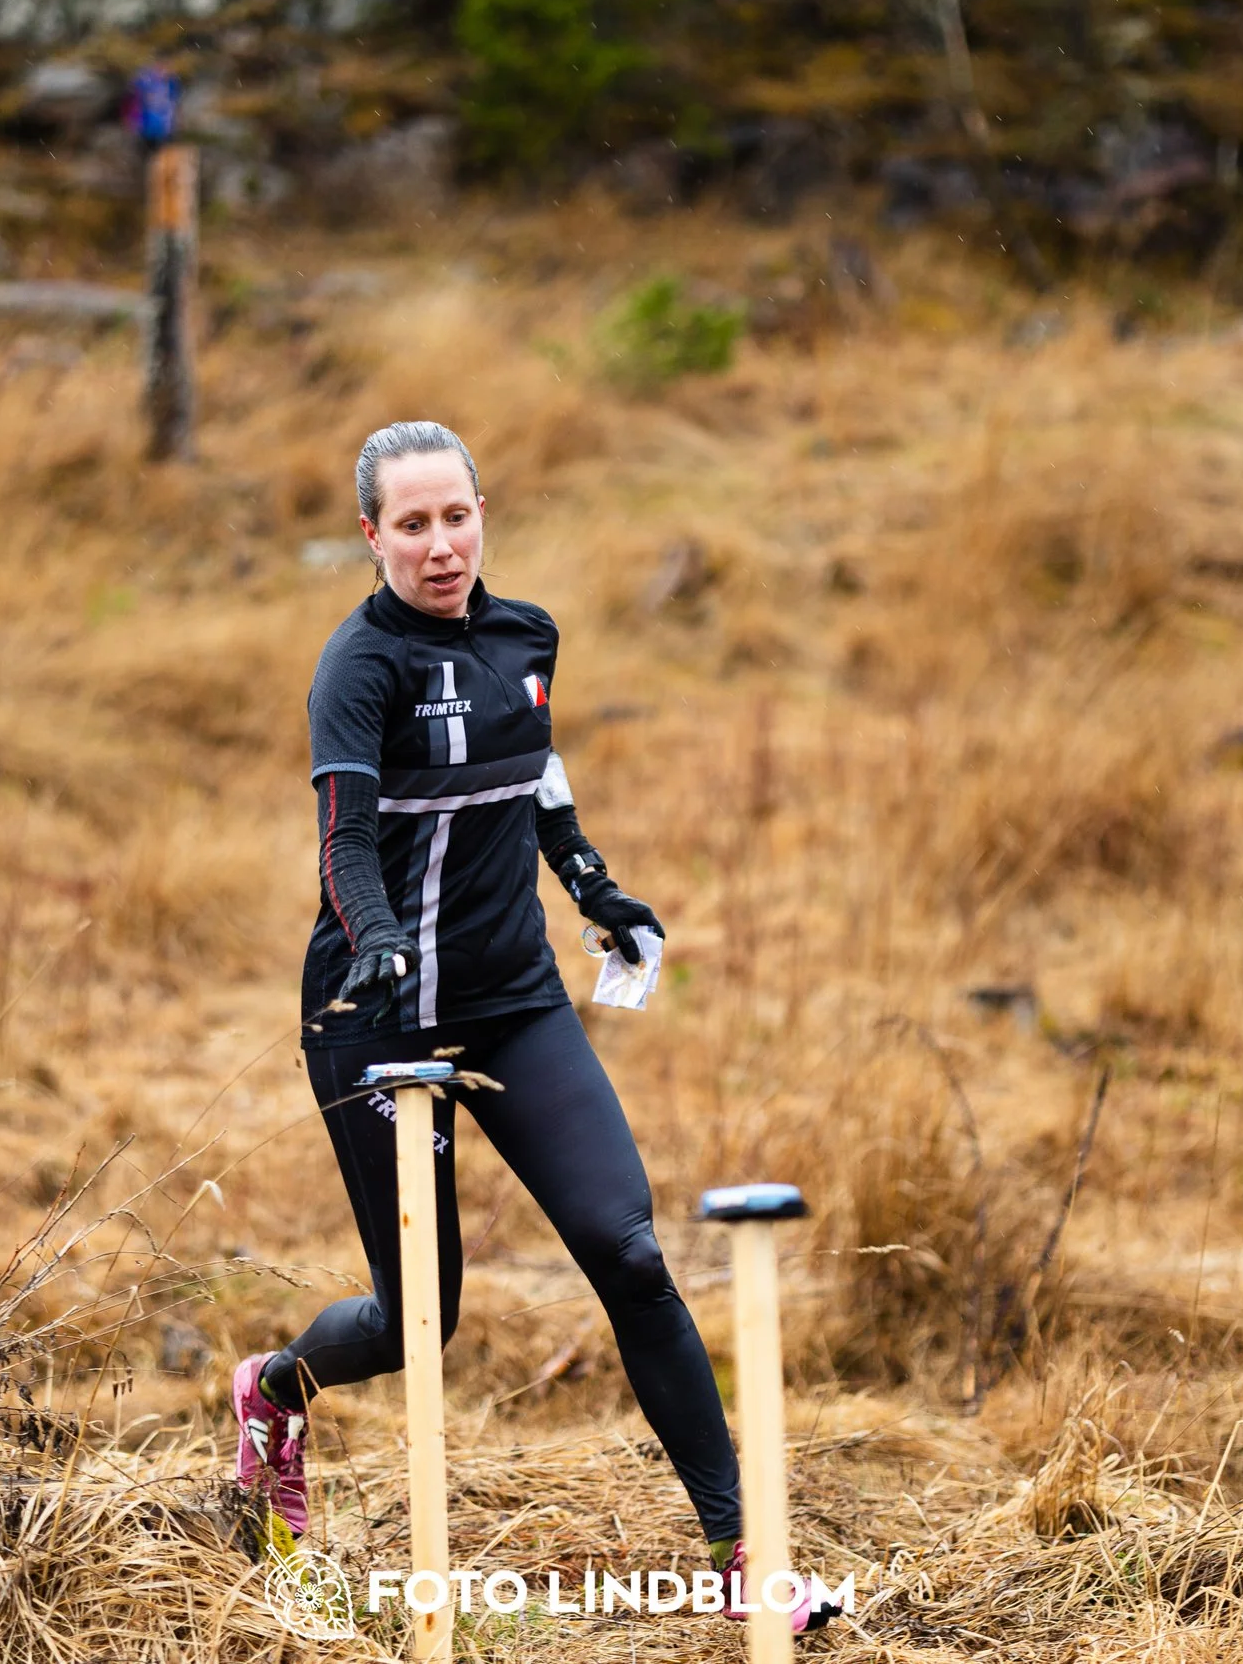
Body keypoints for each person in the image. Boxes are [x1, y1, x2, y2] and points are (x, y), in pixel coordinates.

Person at [229, 420, 828, 1631]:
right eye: (411, 524)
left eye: (456, 516)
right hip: (376, 1016)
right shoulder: (358, 666)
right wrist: (383, 940)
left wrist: (594, 884)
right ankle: (276, 1387)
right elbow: (343, 838)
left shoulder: (527, 635)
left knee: (631, 1251)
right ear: (371, 536)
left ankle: (737, 1555)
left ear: (481, 513)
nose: (439, 545)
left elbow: (535, 771)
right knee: (421, 1320)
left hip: (513, 1002)